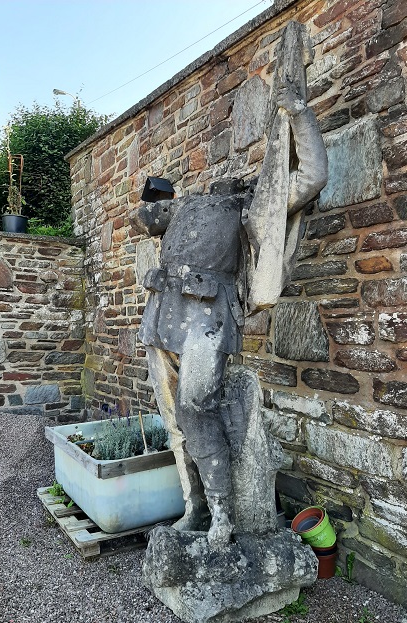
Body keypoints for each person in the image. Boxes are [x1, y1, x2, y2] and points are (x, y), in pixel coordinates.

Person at [129, 81, 328, 550]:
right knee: (173, 419)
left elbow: (312, 177)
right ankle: (193, 503)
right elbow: (146, 218)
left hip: (209, 318)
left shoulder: (249, 204)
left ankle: (223, 515)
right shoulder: (184, 207)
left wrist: (299, 114)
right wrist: (158, 197)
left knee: (196, 411)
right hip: (162, 314)